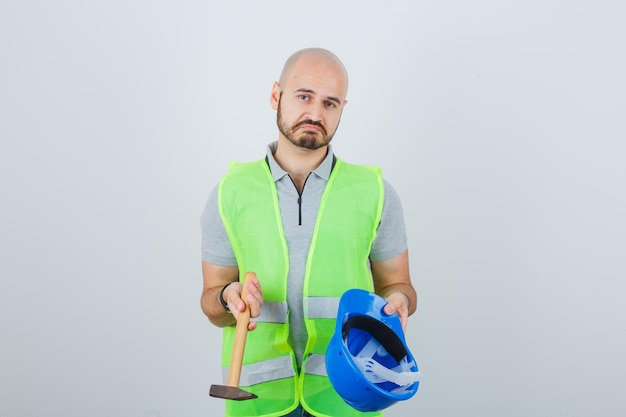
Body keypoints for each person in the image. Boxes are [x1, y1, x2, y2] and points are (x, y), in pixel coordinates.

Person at [200, 47, 417, 417]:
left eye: (330, 103)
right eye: (304, 96)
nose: (315, 114)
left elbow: (399, 286)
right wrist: (228, 299)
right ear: (276, 96)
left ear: (342, 109)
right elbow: (210, 300)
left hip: (347, 396)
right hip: (259, 402)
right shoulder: (229, 194)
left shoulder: (376, 193)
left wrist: (400, 303)